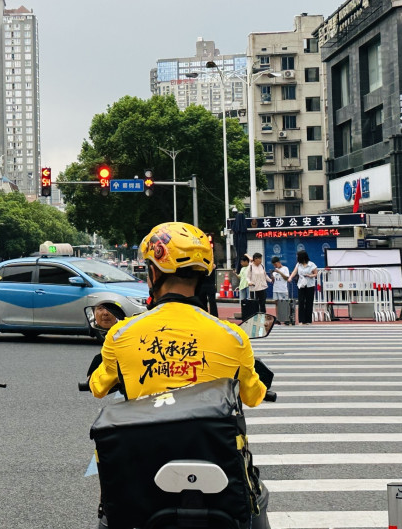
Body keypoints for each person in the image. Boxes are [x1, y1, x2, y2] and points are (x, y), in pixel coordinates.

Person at [88, 221, 269, 527]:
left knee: (113, 514)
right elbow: (254, 396)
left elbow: (98, 387)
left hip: (142, 468)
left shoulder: (120, 335)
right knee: (256, 504)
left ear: (154, 273)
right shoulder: (232, 336)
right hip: (218, 469)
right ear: (203, 277)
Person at [288, 249, 318, 324]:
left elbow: (316, 274)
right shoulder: (298, 264)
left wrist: (310, 275)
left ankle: (308, 320)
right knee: (301, 302)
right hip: (301, 285)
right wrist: (290, 277)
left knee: (309, 302)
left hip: (310, 285)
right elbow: (294, 272)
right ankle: (301, 320)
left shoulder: (312, 264)